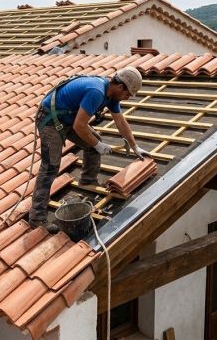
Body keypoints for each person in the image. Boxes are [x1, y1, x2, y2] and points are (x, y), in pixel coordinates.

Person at [29, 67, 151, 232]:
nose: (127, 98)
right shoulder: (97, 92)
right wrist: (98, 145)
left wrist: (135, 146)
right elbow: (80, 126)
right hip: (50, 120)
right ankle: (37, 218)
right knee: (51, 166)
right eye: (128, 94)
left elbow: (121, 122)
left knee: (94, 142)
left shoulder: (111, 96)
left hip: (68, 119)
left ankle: (87, 180)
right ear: (120, 87)